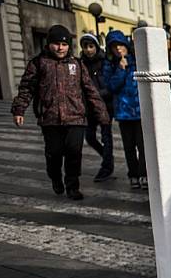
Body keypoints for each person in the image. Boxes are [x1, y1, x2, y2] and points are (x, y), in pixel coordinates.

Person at [11, 25, 109, 200]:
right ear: (49, 44)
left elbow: (90, 90)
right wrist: (19, 109)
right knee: (54, 153)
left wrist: (102, 114)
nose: (60, 48)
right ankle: (55, 177)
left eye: (64, 44)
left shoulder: (77, 64)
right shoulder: (38, 63)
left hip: (76, 117)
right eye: (56, 44)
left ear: (68, 46)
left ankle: (73, 186)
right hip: (50, 118)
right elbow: (26, 88)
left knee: (74, 152)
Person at [103, 30, 146, 190]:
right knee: (129, 147)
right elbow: (111, 86)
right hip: (123, 112)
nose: (118, 49)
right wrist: (120, 70)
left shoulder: (137, 60)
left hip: (139, 111)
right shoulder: (111, 65)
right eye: (114, 47)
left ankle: (144, 174)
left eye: (120, 45)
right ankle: (133, 175)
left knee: (142, 146)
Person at [78, 32, 114, 182]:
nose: (88, 50)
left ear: (96, 47)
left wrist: (98, 94)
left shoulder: (105, 62)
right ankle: (107, 157)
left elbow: (110, 84)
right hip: (89, 108)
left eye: (91, 46)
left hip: (105, 105)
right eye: (85, 47)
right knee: (90, 137)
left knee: (106, 137)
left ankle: (107, 166)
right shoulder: (80, 64)